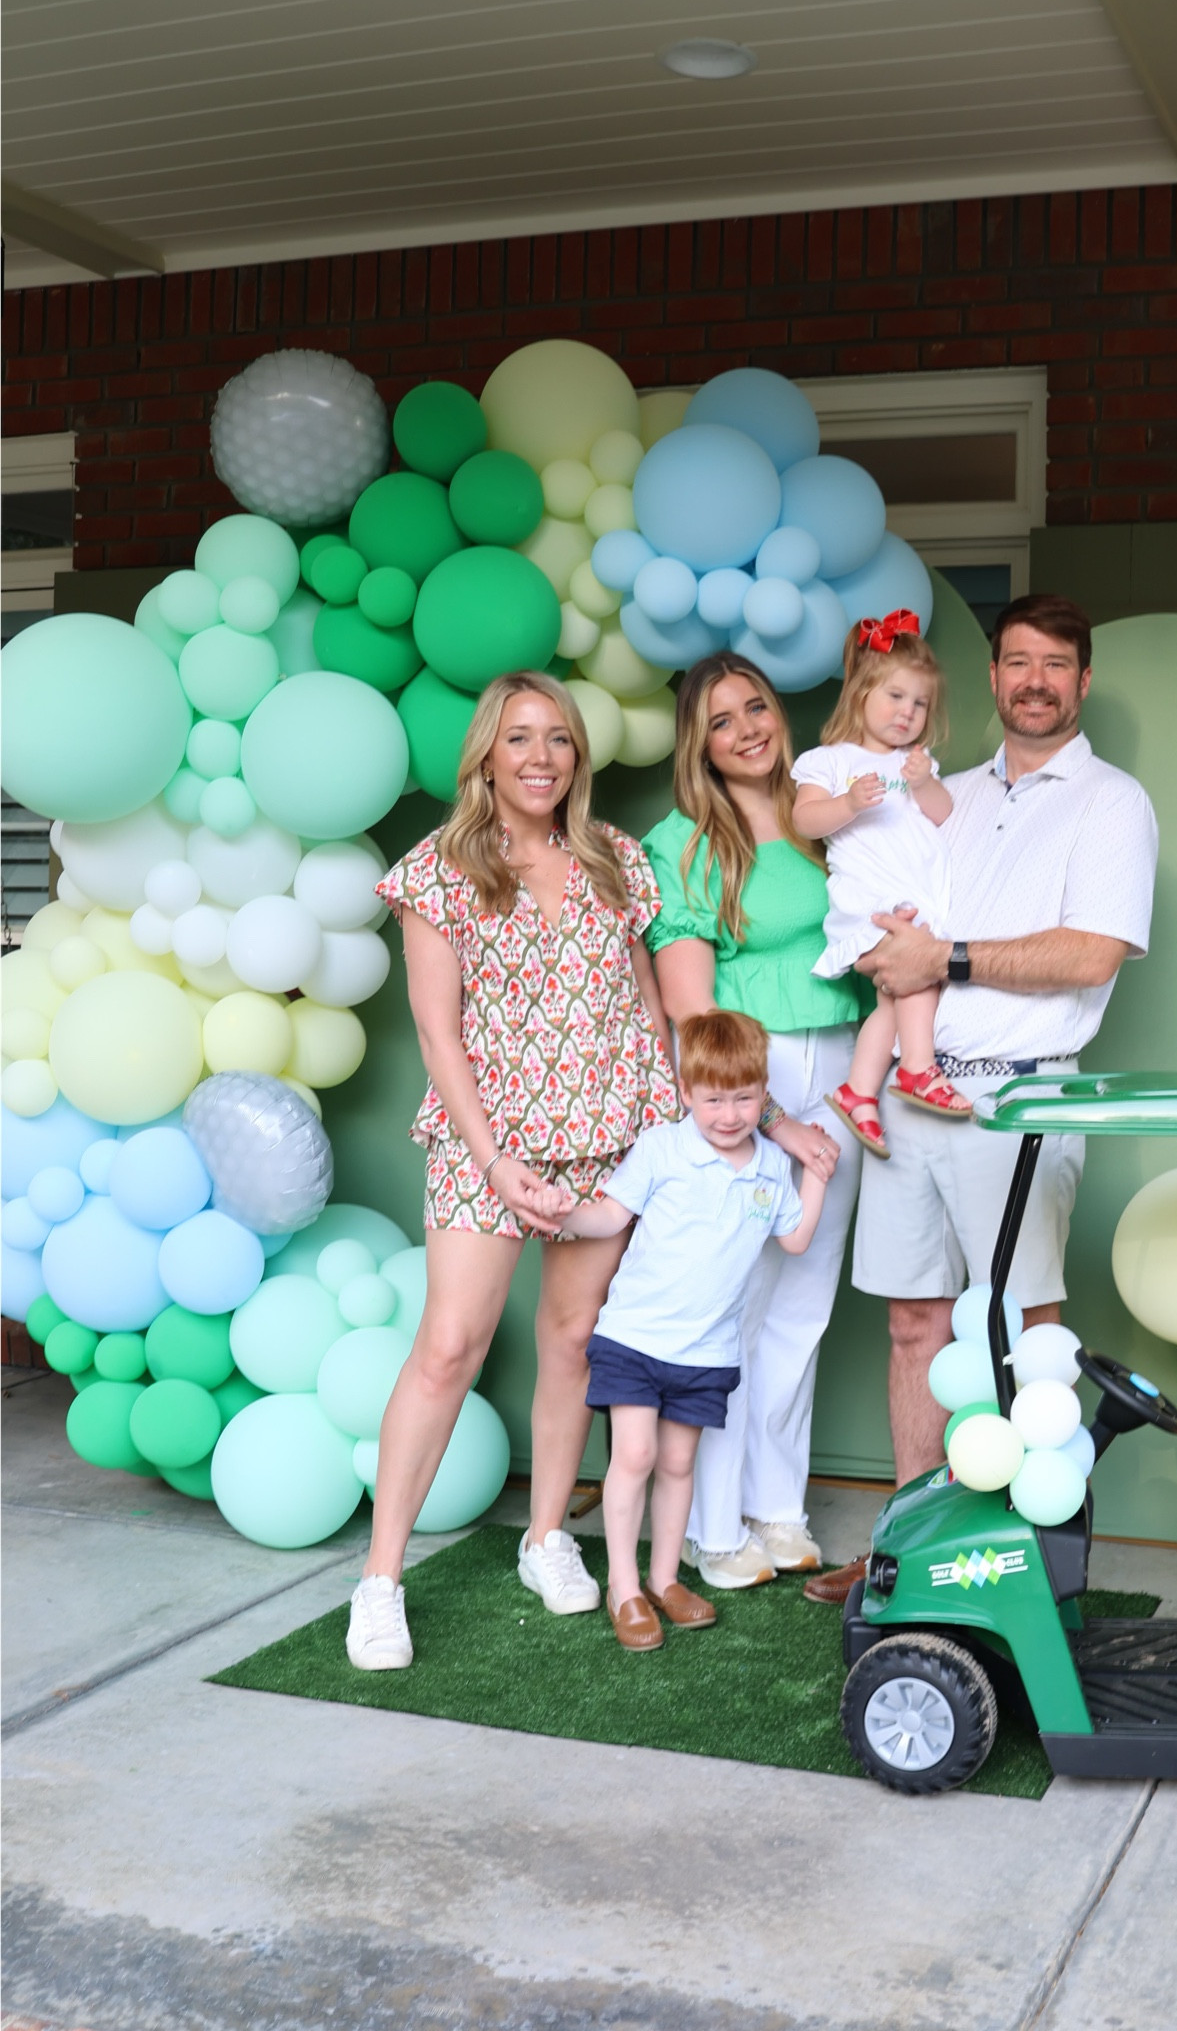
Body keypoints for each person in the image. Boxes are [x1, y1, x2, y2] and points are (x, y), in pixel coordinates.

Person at [804, 593, 1159, 1603]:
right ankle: (908, 1547)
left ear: (1082, 682)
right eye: (1017, 661)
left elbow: (1092, 951)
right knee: (914, 1323)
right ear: (994, 676)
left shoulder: (1111, 802)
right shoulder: (936, 791)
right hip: (912, 1096)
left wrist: (942, 956)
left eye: (1055, 662)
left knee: (1025, 1322)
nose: (1035, 679)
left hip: (1017, 1100)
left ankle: (1033, 1552)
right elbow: (847, 863)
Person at [347, 671, 679, 1670]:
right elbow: (438, 1035)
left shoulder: (616, 860)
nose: (541, 757)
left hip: (607, 1138)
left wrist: (662, 1134)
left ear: (579, 757)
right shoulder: (438, 867)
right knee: (450, 1344)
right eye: (521, 737)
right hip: (485, 1141)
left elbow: (647, 1009)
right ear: (487, 752)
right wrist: (495, 1164)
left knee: (574, 1339)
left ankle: (545, 1537)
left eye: (560, 740)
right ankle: (380, 1581)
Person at [644, 653, 861, 1589]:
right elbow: (693, 1016)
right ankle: (711, 1524)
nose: (746, 729)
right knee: (733, 1309)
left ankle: (779, 1509)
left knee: (804, 1310)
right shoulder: (684, 839)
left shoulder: (823, 811)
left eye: (756, 707)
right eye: (720, 721)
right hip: (748, 1084)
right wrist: (769, 1118)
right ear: (698, 744)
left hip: (846, 1066)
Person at [547, 1010, 830, 1649]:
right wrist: (565, 1214)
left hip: (708, 1349)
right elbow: (610, 1217)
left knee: (679, 1464)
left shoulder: (766, 1169)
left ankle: (665, 1579)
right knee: (637, 1457)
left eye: (744, 1099)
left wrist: (814, 1174)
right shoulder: (664, 1149)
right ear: (685, 1093)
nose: (729, 1115)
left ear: (764, 1095)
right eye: (712, 1101)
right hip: (636, 1338)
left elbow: (796, 1239)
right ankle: (624, 1587)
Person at [791, 610, 970, 1156]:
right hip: (869, 900)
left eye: (919, 704)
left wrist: (926, 783)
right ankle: (918, 1068)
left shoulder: (916, 763)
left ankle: (857, 1090)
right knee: (915, 979)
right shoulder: (829, 761)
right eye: (895, 697)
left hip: (914, 899)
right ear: (861, 694)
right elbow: (805, 821)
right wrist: (847, 803)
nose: (907, 713)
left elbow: (943, 815)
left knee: (892, 999)